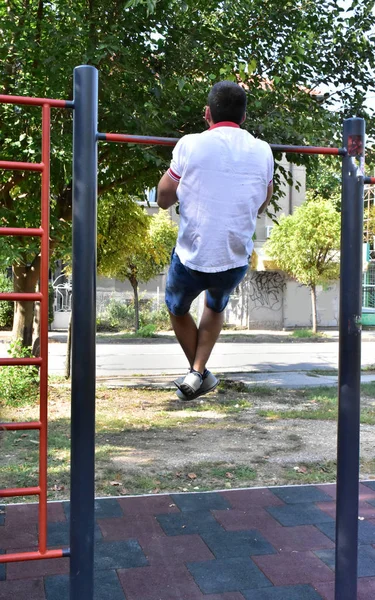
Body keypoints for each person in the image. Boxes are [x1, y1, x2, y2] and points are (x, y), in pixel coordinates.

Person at [157, 80, 274, 400]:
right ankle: (198, 374)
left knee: (177, 308)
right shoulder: (263, 150)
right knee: (215, 303)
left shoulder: (190, 144)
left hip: (191, 257)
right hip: (235, 259)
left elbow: (164, 198)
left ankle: (199, 373)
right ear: (244, 117)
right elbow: (264, 200)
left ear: (207, 113)